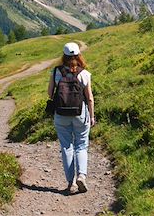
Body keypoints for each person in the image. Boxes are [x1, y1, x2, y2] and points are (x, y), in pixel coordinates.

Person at [47, 41, 95, 194]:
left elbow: (49, 93)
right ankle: (82, 175)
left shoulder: (56, 72)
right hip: (80, 113)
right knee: (81, 145)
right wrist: (92, 116)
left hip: (61, 114)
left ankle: (71, 183)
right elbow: (90, 98)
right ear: (79, 56)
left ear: (64, 56)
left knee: (66, 147)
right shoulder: (84, 74)